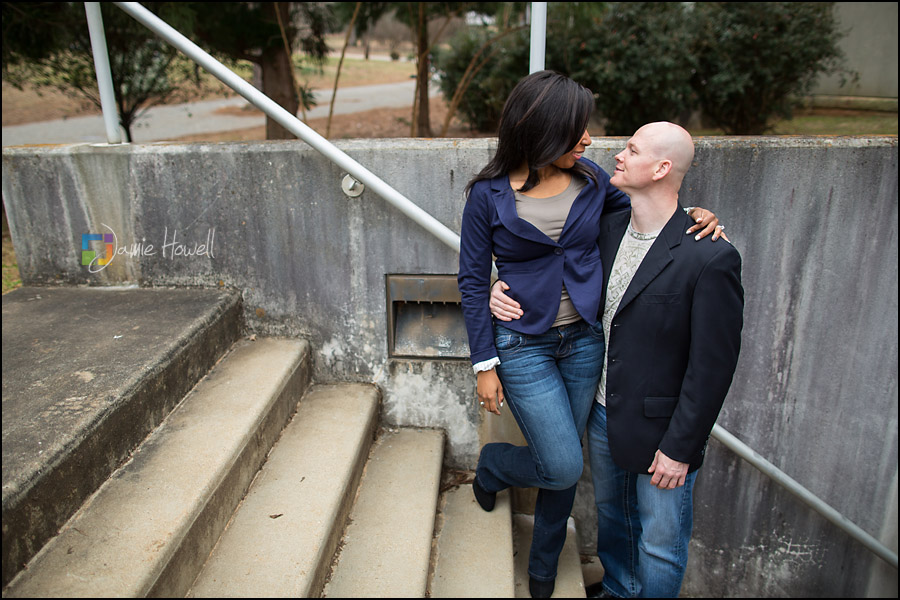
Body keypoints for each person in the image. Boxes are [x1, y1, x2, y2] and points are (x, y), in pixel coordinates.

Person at [457, 71, 723, 599]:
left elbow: (651, 215)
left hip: (584, 340)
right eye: (577, 131)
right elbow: (469, 279)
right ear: (544, 133)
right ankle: (493, 465)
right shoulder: (487, 196)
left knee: (568, 464)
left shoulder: (595, 180)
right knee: (562, 464)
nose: (588, 141)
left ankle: (543, 568)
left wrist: (695, 214)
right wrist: (483, 363)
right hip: (521, 344)